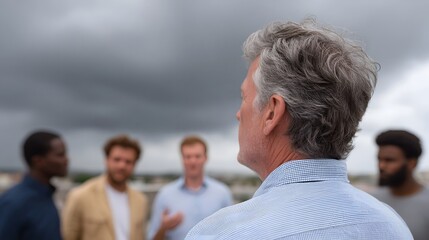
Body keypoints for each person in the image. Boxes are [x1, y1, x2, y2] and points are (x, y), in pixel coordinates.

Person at [185, 19, 412, 239]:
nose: (238, 114)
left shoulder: (219, 233)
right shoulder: (391, 225)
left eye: (244, 97)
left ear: (272, 113)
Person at [62, 134, 148, 240]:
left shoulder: (140, 200)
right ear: (106, 160)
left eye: (128, 162)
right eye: (117, 159)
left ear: (135, 164)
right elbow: (68, 236)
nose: (122, 166)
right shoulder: (80, 196)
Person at [148, 135, 233, 240]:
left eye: (197, 156)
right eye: (188, 157)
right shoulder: (165, 195)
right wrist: (164, 228)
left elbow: (231, 234)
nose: (193, 161)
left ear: (205, 158)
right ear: (182, 159)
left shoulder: (222, 193)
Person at [0, 130, 68, 240]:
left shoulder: (46, 196)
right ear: (39, 161)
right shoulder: (13, 203)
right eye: (60, 155)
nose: (66, 160)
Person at [372, 129, 429, 240]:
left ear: (411, 163)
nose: (381, 166)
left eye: (389, 160)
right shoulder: (372, 200)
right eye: (379, 159)